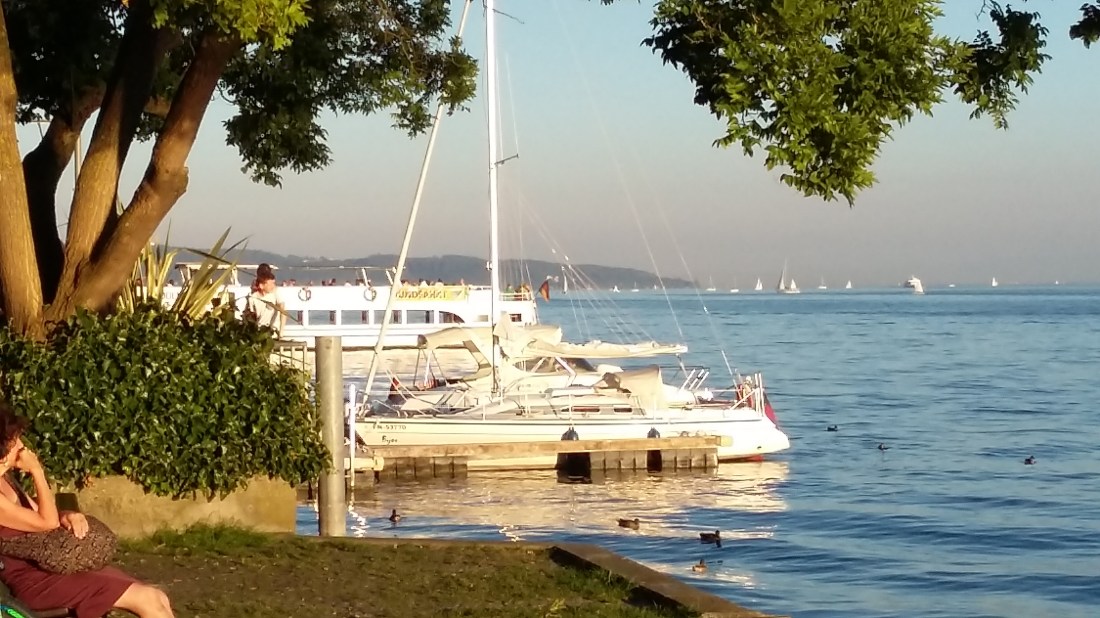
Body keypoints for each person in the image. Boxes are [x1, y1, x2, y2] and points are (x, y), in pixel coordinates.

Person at [0, 401, 174, 617]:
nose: (22, 446)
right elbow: (47, 522)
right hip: (33, 581)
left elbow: (40, 512)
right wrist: (36, 470)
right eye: (15, 439)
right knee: (146, 598)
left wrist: (66, 515)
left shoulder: (5, 479)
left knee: (157, 597)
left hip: (50, 567)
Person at [244, 263, 285, 336]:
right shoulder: (254, 292)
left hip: (272, 330)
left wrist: (281, 331)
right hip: (258, 330)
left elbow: (282, 309)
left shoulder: (274, 291)